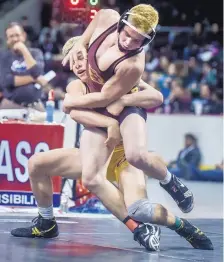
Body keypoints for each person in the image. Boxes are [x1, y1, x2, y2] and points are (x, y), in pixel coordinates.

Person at [11, 37, 213, 251]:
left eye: (81, 58)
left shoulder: (118, 77)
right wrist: (109, 123)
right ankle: (46, 223)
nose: (78, 65)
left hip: (123, 158)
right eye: (73, 61)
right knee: (36, 164)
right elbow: (75, 111)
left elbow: (155, 96)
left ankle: (183, 227)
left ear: (92, 57)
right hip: (94, 154)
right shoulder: (76, 86)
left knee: (141, 209)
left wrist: (123, 100)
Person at [62, 5, 194, 229]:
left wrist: (69, 102)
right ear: (121, 24)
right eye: (127, 35)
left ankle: (169, 181)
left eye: (137, 41)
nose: (128, 43)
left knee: (136, 155)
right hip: (108, 103)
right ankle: (137, 228)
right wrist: (79, 46)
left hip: (120, 101)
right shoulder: (106, 18)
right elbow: (84, 41)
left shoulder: (133, 64)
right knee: (91, 178)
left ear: (145, 42)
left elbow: (104, 98)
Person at [0, 22, 50, 111]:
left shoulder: (36, 53)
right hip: (11, 104)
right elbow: (6, 81)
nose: (15, 39)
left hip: (35, 104)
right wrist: (35, 79)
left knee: (45, 121)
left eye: (17, 35)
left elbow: (37, 72)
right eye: (11, 36)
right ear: (7, 39)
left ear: (24, 36)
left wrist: (24, 50)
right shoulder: (3, 56)